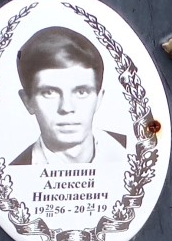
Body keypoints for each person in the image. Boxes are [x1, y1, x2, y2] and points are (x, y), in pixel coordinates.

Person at [11, 25, 128, 176]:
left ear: (99, 98)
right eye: (49, 93)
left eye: (81, 92)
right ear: (27, 102)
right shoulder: (10, 178)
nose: (67, 107)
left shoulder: (135, 150)